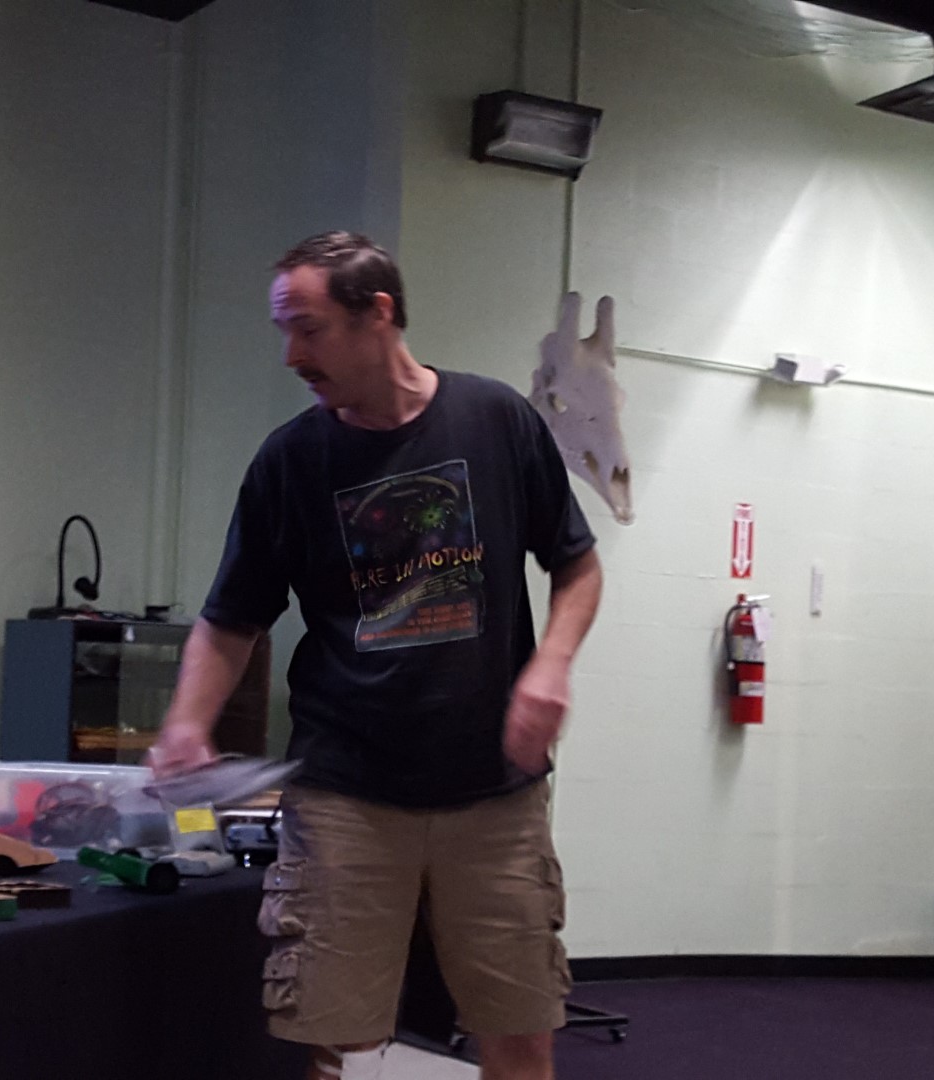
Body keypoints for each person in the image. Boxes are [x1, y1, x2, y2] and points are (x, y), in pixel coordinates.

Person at [149, 231, 602, 1080]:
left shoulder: (495, 418)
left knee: (520, 1032)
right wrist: (186, 722)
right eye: (285, 330)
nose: (292, 355)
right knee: (330, 1041)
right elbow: (230, 620)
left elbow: (577, 565)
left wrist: (552, 665)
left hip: (495, 795)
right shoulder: (291, 460)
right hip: (345, 795)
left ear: (378, 314)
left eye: (309, 328)